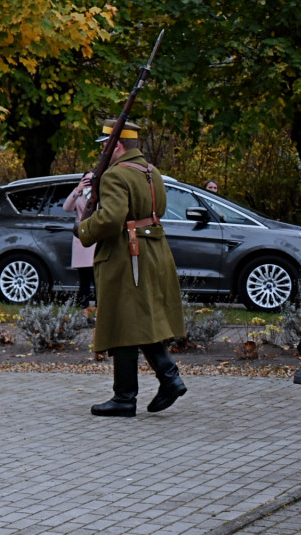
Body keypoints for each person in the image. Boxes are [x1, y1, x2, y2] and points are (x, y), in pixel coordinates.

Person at [76, 120, 187, 418]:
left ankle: (126, 397)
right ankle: (166, 378)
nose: (103, 150)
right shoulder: (152, 172)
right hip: (154, 251)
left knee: (124, 321)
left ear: (118, 146)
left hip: (127, 255)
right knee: (135, 320)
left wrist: (83, 229)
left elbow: (112, 219)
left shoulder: (116, 175)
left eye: (106, 144)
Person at [62, 170, 96, 308]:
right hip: (82, 241)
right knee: (84, 281)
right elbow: (67, 208)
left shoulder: (99, 195)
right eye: (86, 180)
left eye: (91, 180)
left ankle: (99, 312)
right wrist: (78, 189)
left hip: (96, 241)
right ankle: (84, 310)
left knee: (98, 280)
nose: (89, 183)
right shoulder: (79, 195)